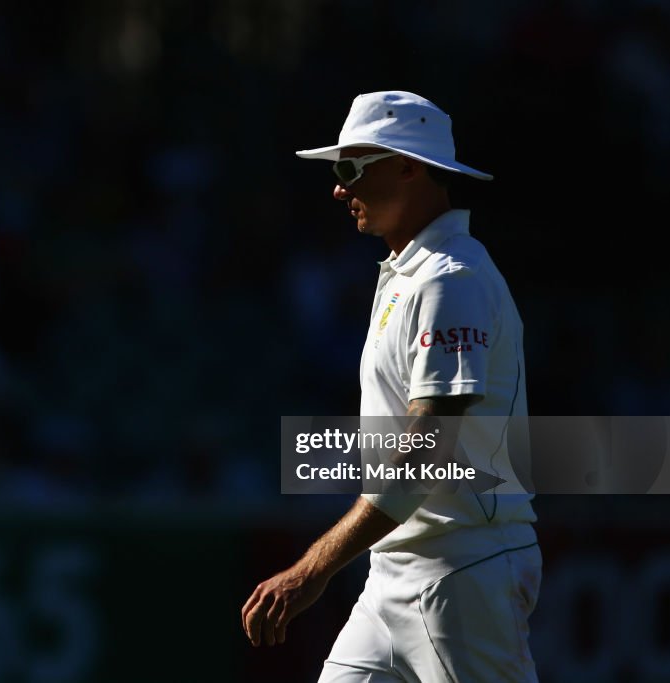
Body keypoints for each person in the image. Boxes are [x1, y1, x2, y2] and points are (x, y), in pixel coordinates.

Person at [241, 91, 541, 681]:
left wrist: (312, 569)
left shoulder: (450, 279)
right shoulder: (415, 272)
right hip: (398, 572)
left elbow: (426, 450)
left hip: (460, 572)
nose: (337, 187)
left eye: (350, 168)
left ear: (409, 167)